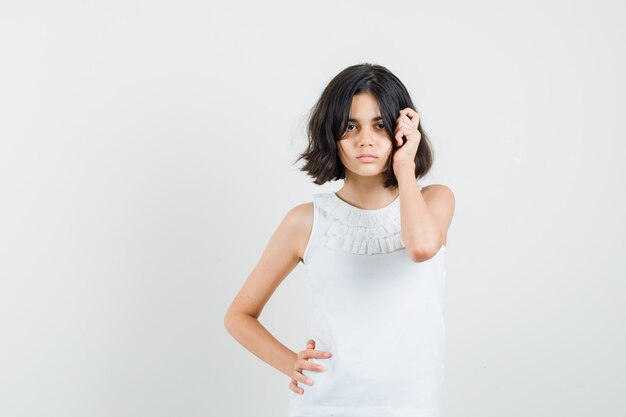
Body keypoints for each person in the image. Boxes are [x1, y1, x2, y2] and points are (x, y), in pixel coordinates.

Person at [224, 63, 455, 417]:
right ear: (331, 134)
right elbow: (239, 316)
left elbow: (422, 248)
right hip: (326, 404)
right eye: (350, 126)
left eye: (380, 125)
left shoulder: (434, 200)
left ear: (403, 130)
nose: (366, 139)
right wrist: (292, 364)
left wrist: (405, 167)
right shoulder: (306, 221)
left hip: (413, 407)